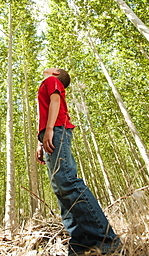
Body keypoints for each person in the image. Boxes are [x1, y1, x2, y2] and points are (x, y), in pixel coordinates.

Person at [36, 67, 121, 256]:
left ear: (57, 74)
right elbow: (46, 111)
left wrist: (50, 129)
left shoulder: (51, 81)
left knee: (67, 181)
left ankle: (107, 241)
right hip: (50, 133)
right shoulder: (47, 82)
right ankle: (82, 244)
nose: (47, 68)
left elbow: (55, 100)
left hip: (57, 130)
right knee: (60, 188)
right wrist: (40, 141)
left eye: (52, 67)